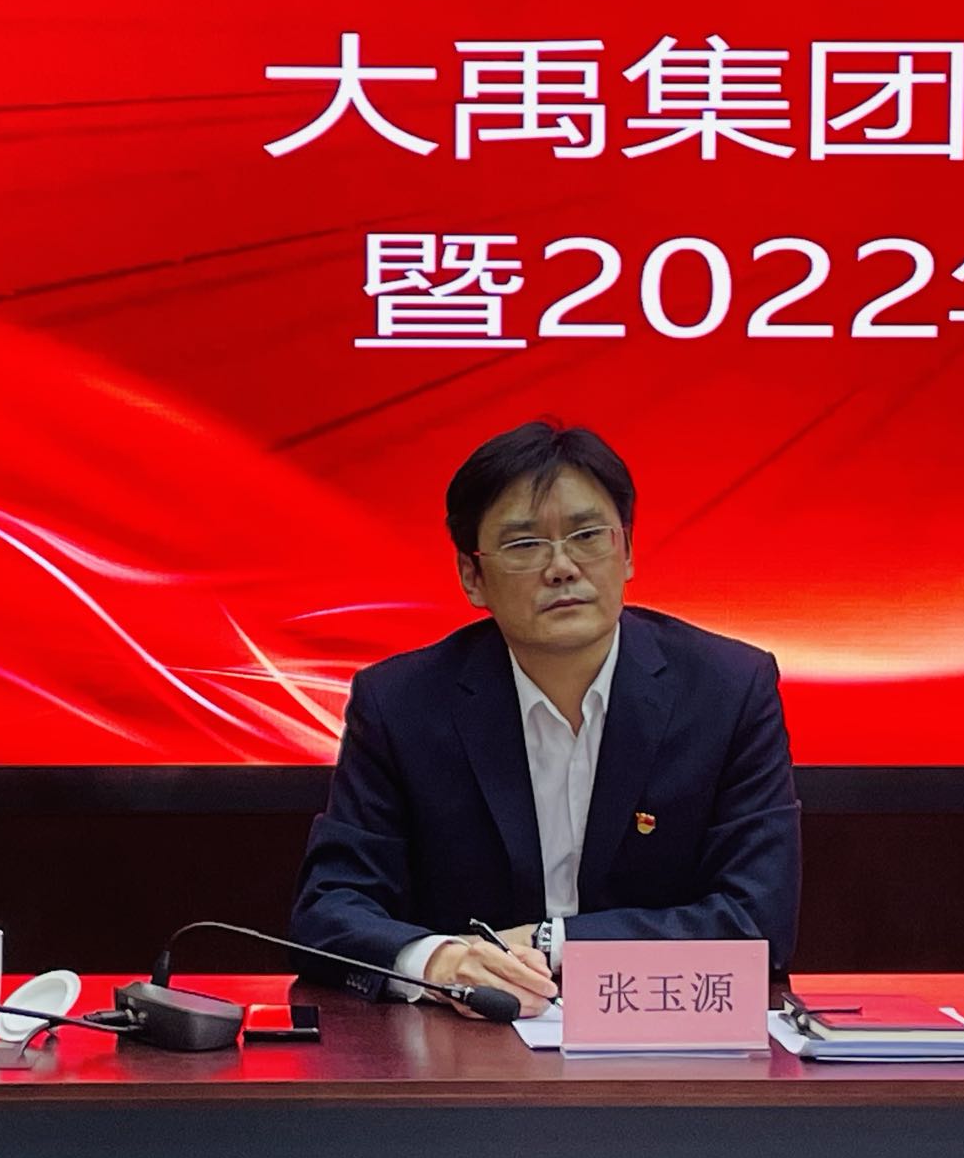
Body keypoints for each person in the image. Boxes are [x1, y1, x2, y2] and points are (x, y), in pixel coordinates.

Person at [290, 421, 801, 1018]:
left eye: (587, 536)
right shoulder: (401, 703)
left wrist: (552, 943)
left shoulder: (727, 689)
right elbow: (328, 908)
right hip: (466, 1042)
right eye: (525, 545)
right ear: (472, 576)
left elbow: (757, 919)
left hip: (665, 1035)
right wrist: (439, 963)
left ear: (627, 551)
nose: (562, 567)